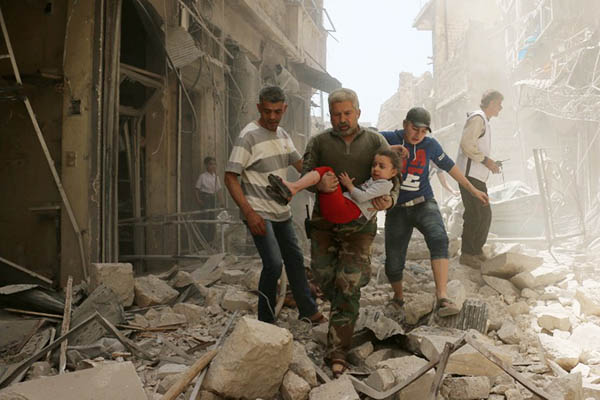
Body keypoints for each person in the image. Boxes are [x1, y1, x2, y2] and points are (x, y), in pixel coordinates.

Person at [302, 88, 396, 378]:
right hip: (324, 224)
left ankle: (337, 351)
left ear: (358, 112)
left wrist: (390, 200)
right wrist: (317, 185)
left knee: (347, 285)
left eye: (347, 113)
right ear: (330, 116)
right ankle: (350, 295)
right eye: (336, 115)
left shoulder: (375, 141)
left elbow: (395, 177)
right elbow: (306, 174)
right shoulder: (319, 142)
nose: (342, 120)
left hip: (359, 228)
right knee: (324, 276)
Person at [224, 86, 324, 325]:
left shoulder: (283, 136)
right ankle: (265, 321)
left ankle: (308, 310)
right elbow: (230, 177)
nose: (271, 117)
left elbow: (303, 167)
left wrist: (322, 173)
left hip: (281, 212)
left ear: (284, 109)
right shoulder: (248, 136)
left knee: (295, 260)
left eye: (277, 112)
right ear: (259, 107)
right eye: (267, 111)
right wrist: (249, 213)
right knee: (273, 264)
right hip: (259, 213)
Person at [380, 107, 489, 320]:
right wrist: (387, 149)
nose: (418, 135)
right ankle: (398, 298)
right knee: (393, 261)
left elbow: (451, 168)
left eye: (423, 131)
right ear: (405, 124)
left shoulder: (430, 145)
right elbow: (365, 142)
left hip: (424, 203)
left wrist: (473, 190)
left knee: (439, 238)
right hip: (396, 208)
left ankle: (442, 297)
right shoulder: (388, 138)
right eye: (414, 129)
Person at [266, 148, 405, 224]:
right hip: (338, 210)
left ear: (393, 172)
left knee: (327, 171)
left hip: (346, 210)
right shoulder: (321, 140)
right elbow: (305, 168)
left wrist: (349, 185)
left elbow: (362, 197)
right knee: (325, 174)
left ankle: (293, 188)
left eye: (381, 166)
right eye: (374, 165)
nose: (376, 169)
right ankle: (288, 192)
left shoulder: (384, 185)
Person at [456, 90, 504, 268]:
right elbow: (467, 144)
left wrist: (490, 163)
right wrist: (486, 161)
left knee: (484, 214)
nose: (500, 108)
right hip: (469, 175)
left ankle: (476, 251)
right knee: (475, 214)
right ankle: (468, 253)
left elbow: (477, 148)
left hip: (477, 176)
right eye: (498, 104)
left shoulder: (484, 121)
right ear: (490, 103)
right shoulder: (478, 118)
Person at [195, 156, 224, 243]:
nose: (213, 166)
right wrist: (198, 200)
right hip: (205, 198)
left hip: (213, 198)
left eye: (215, 164)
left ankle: (211, 241)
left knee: (213, 219)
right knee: (205, 220)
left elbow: (219, 190)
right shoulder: (202, 176)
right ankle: (204, 241)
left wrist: (221, 201)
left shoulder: (216, 177)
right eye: (211, 164)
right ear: (206, 165)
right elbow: (196, 189)